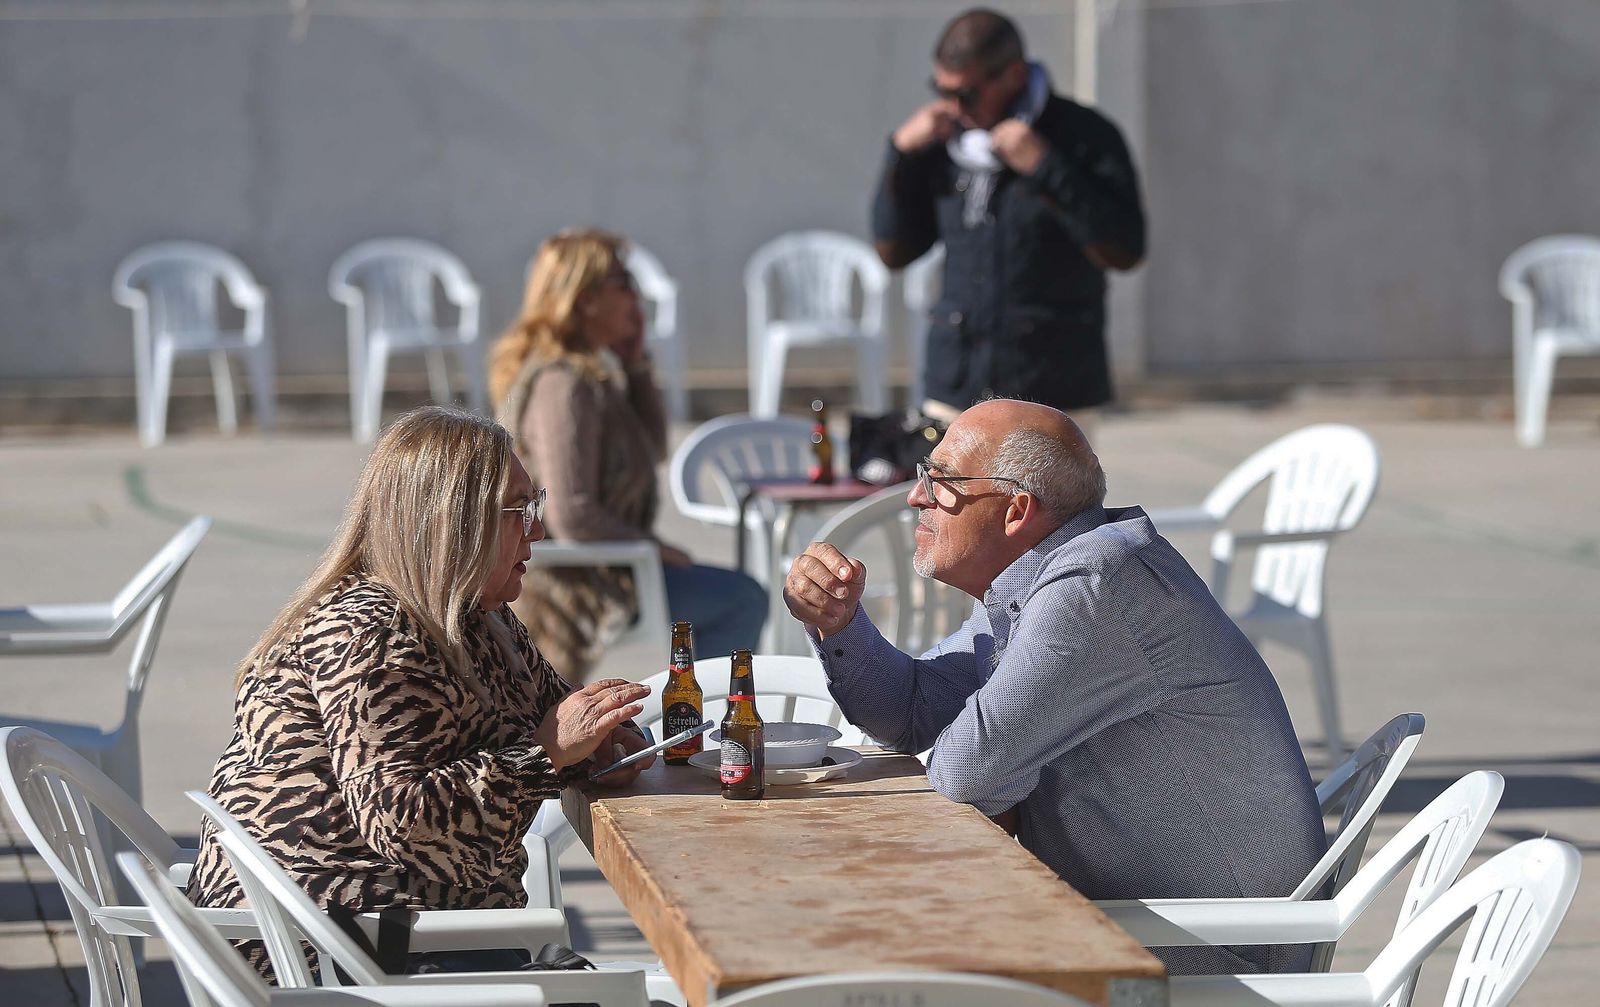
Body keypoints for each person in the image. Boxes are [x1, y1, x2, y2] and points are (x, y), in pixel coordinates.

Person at [782, 398, 1326, 976]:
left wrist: (1006, 778)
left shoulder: (1094, 586)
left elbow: (965, 777)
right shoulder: (1035, 580)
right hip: (1132, 925)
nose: (917, 496)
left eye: (940, 480)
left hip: (1208, 962)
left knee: (867, 952)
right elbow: (913, 709)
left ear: (1016, 511)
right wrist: (838, 622)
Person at [188, 405, 656, 977]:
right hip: (329, 948)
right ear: (453, 524)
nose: (537, 530)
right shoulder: (372, 633)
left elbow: (557, 717)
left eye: (535, 504)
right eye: (518, 511)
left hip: (403, 927)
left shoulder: (479, 616)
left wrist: (604, 747)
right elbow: (404, 822)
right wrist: (549, 754)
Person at [489, 229, 765, 682]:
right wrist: (655, 549)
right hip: (579, 580)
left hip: (611, 566)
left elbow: (653, 447)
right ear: (584, 299)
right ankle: (709, 714)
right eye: (623, 283)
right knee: (742, 599)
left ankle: (703, 710)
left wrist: (636, 364)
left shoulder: (591, 374)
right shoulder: (563, 385)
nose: (637, 296)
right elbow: (572, 514)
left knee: (739, 594)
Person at [872, 8, 1145, 426]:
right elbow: (894, 251)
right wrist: (900, 156)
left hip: (1054, 391)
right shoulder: (942, 143)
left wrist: (1046, 168)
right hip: (958, 385)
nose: (953, 108)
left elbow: (1125, 249)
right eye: (942, 91)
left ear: (1014, 75)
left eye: (967, 94)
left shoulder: (1085, 136)